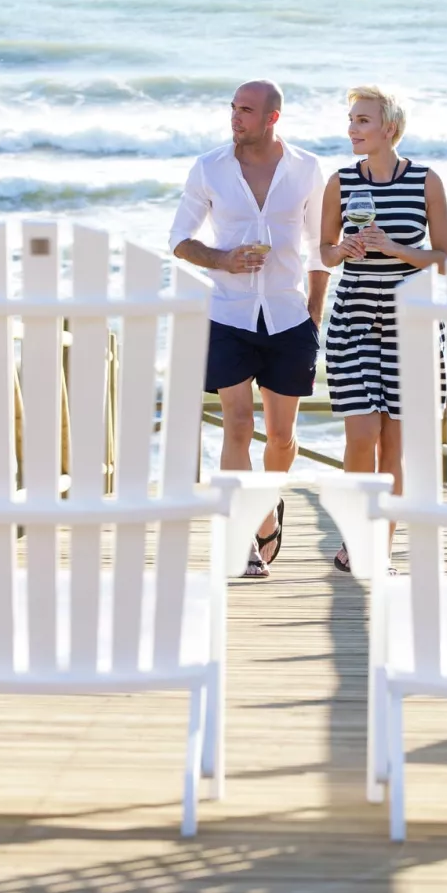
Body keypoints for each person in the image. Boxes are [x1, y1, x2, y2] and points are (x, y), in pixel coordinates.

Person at [170, 80, 328, 578]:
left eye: (246, 110)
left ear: (272, 118)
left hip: (287, 315)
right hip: (228, 314)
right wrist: (222, 259)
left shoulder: (306, 169)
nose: (235, 118)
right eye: (233, 108)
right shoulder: (209, 168)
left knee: (281, 438)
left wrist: (315, 310)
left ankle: (265, 506)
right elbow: (180, 240)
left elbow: (322, 244)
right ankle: (244, 534)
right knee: (238, 424)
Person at [319, 86, 447, 572]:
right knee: (361, 435)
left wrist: (395, 248)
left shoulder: (425, 181)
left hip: (409, 320)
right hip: (354, 314)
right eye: (351, 120)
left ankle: (382, 548)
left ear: (389, 128)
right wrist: (343, 250)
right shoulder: (340, 182)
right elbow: (325, 251)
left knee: (394, 443)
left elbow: (443, 260)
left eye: (363, 121)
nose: (352, 129)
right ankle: (356, 538)